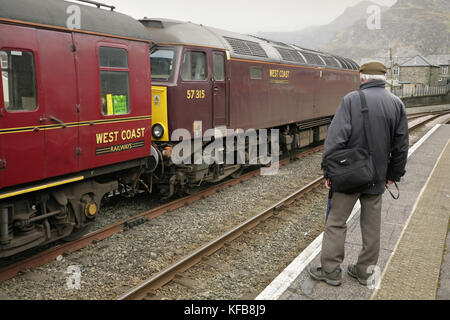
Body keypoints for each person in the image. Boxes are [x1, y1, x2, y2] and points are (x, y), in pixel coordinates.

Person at [308, 61, 409, 286]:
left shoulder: (351, 100)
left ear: (362, 78)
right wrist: (393, 174)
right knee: (372, 226)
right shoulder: (396, 104)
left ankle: (331, 270)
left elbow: (336, 140)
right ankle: (364, 272)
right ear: (384, 79)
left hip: (348, 177)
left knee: (336, 222)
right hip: (378, 177)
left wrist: (329, 173)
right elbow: (401, 145)